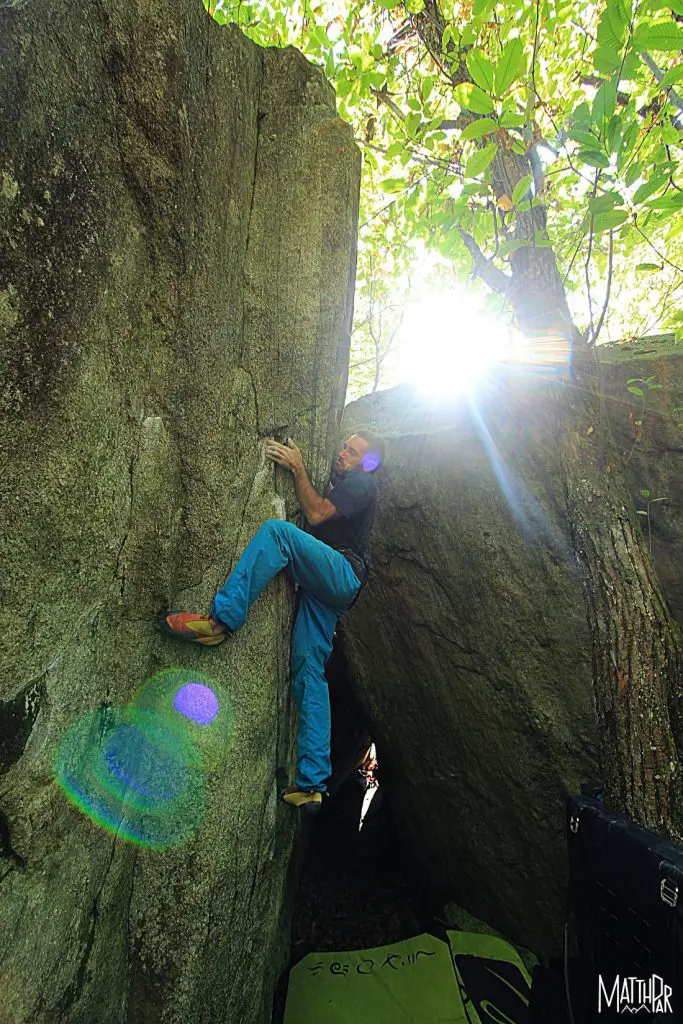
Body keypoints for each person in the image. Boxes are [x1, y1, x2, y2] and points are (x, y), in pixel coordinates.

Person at [159, 429, 385, 815]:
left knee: (278, 534)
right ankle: (313, 783)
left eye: (353, 451)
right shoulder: (345, 488)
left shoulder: (363, 483)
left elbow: (315, 513)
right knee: (309, 671)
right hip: (329, 587)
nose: (342, 453)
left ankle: (220, 622)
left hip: (342, 572)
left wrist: (297, 468)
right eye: (344, 446)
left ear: (367, 463)